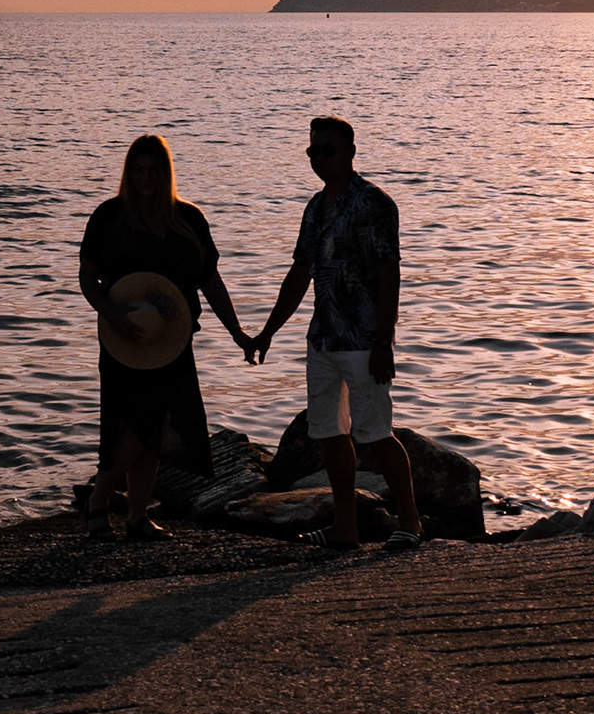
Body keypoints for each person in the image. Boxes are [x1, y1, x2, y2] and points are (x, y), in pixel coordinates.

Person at [250, 116, 425, 552]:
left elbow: (390, 274)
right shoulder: (315, 207)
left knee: (377, 434)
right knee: (329, 435)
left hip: (364, 341)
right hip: (323, 339)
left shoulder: (376, 204)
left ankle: (411, 521)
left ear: (349, 151)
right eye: (312, 151)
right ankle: (345, 528)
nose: (318, 159)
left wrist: (384, 341)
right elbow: (300, 272)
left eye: (327, 150)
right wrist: (267, 331)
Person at [79, 134, 251, 540]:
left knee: (156, 427)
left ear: (165, 172)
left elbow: (210, 279)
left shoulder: (188, 219)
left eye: (153, 170)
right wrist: (110, 312)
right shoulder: (109, 217)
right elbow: (88, 278)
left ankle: (137, 516)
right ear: (128, 172)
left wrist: (237, 331)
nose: (145, 177)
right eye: (138, 170)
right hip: (124, 340)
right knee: (128, 426)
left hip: (173, 341)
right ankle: (99, 501)